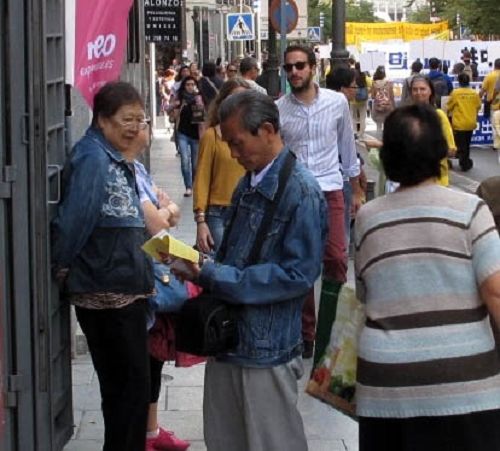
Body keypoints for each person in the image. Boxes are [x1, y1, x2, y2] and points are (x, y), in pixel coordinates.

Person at [171, 90, 328, 451]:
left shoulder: (301, 191)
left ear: (268, 130)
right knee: (225, 440)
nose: (233, 154)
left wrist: (212, 275)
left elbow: (297, 275)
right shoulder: (250, 181)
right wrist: (199, 266)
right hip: (230, 339)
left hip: (266, 348)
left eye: (238, 144)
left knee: (272, 442)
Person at [354, 103, 500, 451]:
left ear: (388, 156)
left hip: (386, 385)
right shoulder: (470, 211)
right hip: (462, 384)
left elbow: (365, 294)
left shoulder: (367, 218)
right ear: (439, 152)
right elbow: (495, 293)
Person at [51, 81, 154, 451]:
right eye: (127, 119)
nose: (134, 127)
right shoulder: (94, 159)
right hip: (107, 291)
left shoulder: (111, 154)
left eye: (140, 119)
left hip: (121, 286)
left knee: (126, 391)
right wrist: (62, 266)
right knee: (129, 389)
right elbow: (75, 219)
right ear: (102, 120)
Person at [277, 45, 362, 363]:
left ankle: (333, 328)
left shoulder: (336, 102)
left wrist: (355, 189)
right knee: (302, 266)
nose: (294, 72)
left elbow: (347, 148)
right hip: (296, 196)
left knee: (337, 260)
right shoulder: (280, 109)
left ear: (313, 68)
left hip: (330, 190)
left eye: (300, 66)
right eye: (288, 68)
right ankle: (308, 334)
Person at [131, 130, 190, 451]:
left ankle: (151, 431)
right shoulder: (116, 169)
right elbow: (157, 222)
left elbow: (170, 211)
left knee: (155, 354)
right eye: (131, 119)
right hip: (135, 279)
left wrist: (164, 212)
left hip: (154, 270)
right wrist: (164, 213)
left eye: (141, 120)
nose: (141, 126)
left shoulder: (138, 168)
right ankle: (140, 433)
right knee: (140, 361)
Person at [193, 78, 250, 253]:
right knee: (222, 266)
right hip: (218, 214)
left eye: (243, 100)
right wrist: (201, 221)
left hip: (247, 211)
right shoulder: (212, 136)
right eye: (233, 99)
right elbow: (202, 178)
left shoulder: (254, 137)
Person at [410, 74, 456, 186]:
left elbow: (451, 150)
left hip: (437, 179)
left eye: (422, 89)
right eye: (415, 89)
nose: (418, 93)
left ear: (430, 91)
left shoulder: (439, 115)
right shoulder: (407, 116)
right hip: (413, 180)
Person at [171, 76, 205, 197]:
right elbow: (169, 111)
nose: (190, 87)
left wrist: (198, 101)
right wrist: (176, 105)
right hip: (183, 133)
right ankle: (188, 187)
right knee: (185, 161)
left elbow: (201, 119)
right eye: (188, 84)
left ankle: (195, 184)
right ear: (184, 86)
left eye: (192, 84)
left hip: (195, 135)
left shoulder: (198, 98)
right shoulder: (180, 98)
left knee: (195, 163)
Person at [446, 72, 481, 171]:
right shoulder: (474, 93)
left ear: (459, 81)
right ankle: (465, 161)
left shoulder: (455, 93)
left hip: (459, 122)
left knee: (461, 144)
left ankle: (464, 162)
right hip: (470, 122)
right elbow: (478, 106)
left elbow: (449, 106)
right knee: (467, 143)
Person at [480, 58, 500, 151]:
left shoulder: (489, 76)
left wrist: (478, 97)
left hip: (493, 103)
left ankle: (496, 144)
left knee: (495, 124)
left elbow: (483, 90)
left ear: (494, 65)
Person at [370, 66, 395, 134]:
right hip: (387, 106)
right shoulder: (389, 83)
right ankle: (386, 141)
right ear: (384, 74)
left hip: (378, 107)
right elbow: (392, 96)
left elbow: (372, 96)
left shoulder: (374, 83)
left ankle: (378, 141)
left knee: (378, 126)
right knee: (387, 126)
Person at [351, 62, 370, 138]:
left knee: (353, 116)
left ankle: (355, 132)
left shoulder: (352, 76)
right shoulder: (364, 76)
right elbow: (371, 84)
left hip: (353, 100)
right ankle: (361, 133)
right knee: (362, 117)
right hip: (363, 100)